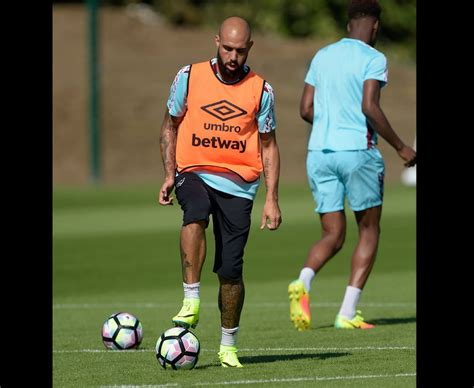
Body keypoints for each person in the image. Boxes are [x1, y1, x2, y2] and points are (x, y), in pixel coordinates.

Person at [158, 16, 282, 367]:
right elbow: (170, 125)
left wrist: (271, 198)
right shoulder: (189, 76)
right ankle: (191, 299)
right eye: (227, 48)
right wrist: (170, 173)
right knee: (194, 210)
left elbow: (269, 145)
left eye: (240, 50)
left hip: (240, 186)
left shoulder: (262, 90)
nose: (232, 56)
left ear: (250, 48)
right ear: (216, 41)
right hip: (194, 170)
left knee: (231, 269)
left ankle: (228, 346)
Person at [288, 0, 416, 331]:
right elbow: (369, 106)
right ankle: (347, 312)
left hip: (319, 152)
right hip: (358, 151)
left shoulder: (323, 55)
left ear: (348, 26)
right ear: (375, 27)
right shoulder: (374, 58)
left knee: (332, 233)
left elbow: (305, 108)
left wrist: (330, 120)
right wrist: (402, 147)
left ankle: (303, 280)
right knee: (369, 230)